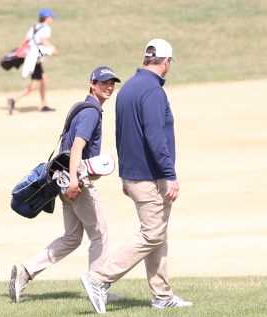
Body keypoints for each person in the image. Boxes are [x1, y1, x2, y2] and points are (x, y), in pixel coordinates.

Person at [80, 39, 193, 314]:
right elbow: (155, 137)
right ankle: (98, 279)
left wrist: (124, 176)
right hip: (150, 176)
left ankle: (162, 295)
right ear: (165, 62)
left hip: (134, 174)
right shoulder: (153, 91)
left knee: (158, 234)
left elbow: (123, 136)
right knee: (152, 234)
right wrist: (170, 174)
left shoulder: (128, 87)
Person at [9, 66, 123, 304]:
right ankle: (98, 286)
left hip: (63, 181)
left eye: (112, 83)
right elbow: (77, 148)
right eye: (104, 82)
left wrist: (67, 182)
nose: (109, 86)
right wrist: (74, 181)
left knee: (72, 237)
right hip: (76, 182)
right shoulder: (92, 112)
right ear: (92, 84)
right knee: (100, 234)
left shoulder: (79, 106)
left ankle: (26, 271)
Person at [7, 8, 58, 115]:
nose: (52, 18)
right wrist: (53, 48)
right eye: (51, 17)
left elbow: (25, 40)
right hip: (34, 59)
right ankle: (13, 100)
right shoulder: (45, 28)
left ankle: (44, 104)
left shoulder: (34, 27)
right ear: (46, 18)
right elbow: (43, 40)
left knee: (43, 79)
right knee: (34, 86)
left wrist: (19, 51)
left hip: (31, 57)